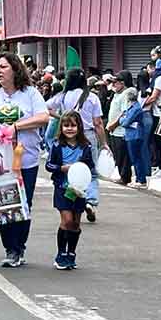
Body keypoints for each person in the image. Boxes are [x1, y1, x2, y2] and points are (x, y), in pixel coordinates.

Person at [0, 52, 50, 268]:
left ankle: (20, 245)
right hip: (0, 159)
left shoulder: (30, 93)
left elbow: (43, 117)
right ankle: (10, 248)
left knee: (24, 202)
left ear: (15, 69)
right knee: (4, 202)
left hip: (25, 158)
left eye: (4, 67)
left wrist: (16, 127)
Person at [45, 68, 108, 222]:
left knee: (71, 170)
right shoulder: (92, 97)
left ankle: (72, 202)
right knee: (90, 171)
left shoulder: (63, 95)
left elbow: (46, 106)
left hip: (67, 135)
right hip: (88, 136)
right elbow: (98, 122)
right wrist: (104, 143)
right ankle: (90, 201)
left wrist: (62, 118)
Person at [46, 110, 96, 270]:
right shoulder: (56, 145)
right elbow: (49, 165)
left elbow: (90, 165)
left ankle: (71, 253)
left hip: (79, 189)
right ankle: (61, 253)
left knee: (75, 223)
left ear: (79, 127)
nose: (69, 129)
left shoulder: (85, 146)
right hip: (62, 187)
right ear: (61, 128)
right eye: (66, 125)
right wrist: (62, 168)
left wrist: (81, 168)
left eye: (73, 125)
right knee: (66, 220)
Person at [105, 71, 137, 186]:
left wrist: (113, 124)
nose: (113, 85)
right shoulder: (117, 94)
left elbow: (125, 113)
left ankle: (125, 177)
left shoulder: (127, 94)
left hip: (120, 131)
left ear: (123, 83)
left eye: (116, 82)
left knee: (123, 156)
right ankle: (121, 174)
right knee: (117, 155)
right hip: (114, 131)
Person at [121, 88, 153, 188]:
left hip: (135, 135)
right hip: (132, 134)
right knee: (135, 158)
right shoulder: (133, 107)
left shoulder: (135, 108)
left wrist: (123, 119)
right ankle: (139, 178)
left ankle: (141, 179)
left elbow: (125, 122)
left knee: (136, 158)